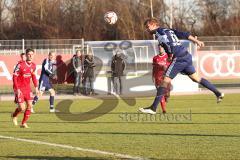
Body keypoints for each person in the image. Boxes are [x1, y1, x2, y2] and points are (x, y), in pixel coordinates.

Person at [139, 18, 224, 114]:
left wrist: (170, 54)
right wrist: (196, 41)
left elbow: (167, 42)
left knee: (164, 81)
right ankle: (218, 93)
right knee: (196, 78)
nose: (147, 30)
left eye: (147, 27)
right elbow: (185, 34)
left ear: (154, 25)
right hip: (186, 55)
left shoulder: (159, 32)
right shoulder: (169, 30)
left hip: (179, 58)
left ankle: (153, 108)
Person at [12, 48, 38, 128]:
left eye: (32, 54)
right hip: (19, 88)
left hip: (27, 88)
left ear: (33, 55)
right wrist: (17, 89)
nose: (30, 56)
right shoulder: (20, 65)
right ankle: (14, 115)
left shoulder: (33, 65)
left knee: (30, 105)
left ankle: (23, 123)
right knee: (22, 108)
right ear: (26, 55)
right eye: (29, 54)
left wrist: (36, 87)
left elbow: (33, 76)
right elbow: (14, 77)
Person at [152, 45, 172, 113]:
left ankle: (167, 97)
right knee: (160, 94)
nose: (160, 49)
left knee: (167, 94)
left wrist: (165, 68)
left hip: (166, 77)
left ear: (164, 49)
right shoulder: (155, 58)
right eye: (159, 48)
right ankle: (164, 110)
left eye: (161, 48)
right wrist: (153, 76)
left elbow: (171, 67)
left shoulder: (168, 57)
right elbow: (154, 68)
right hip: (158, 78)